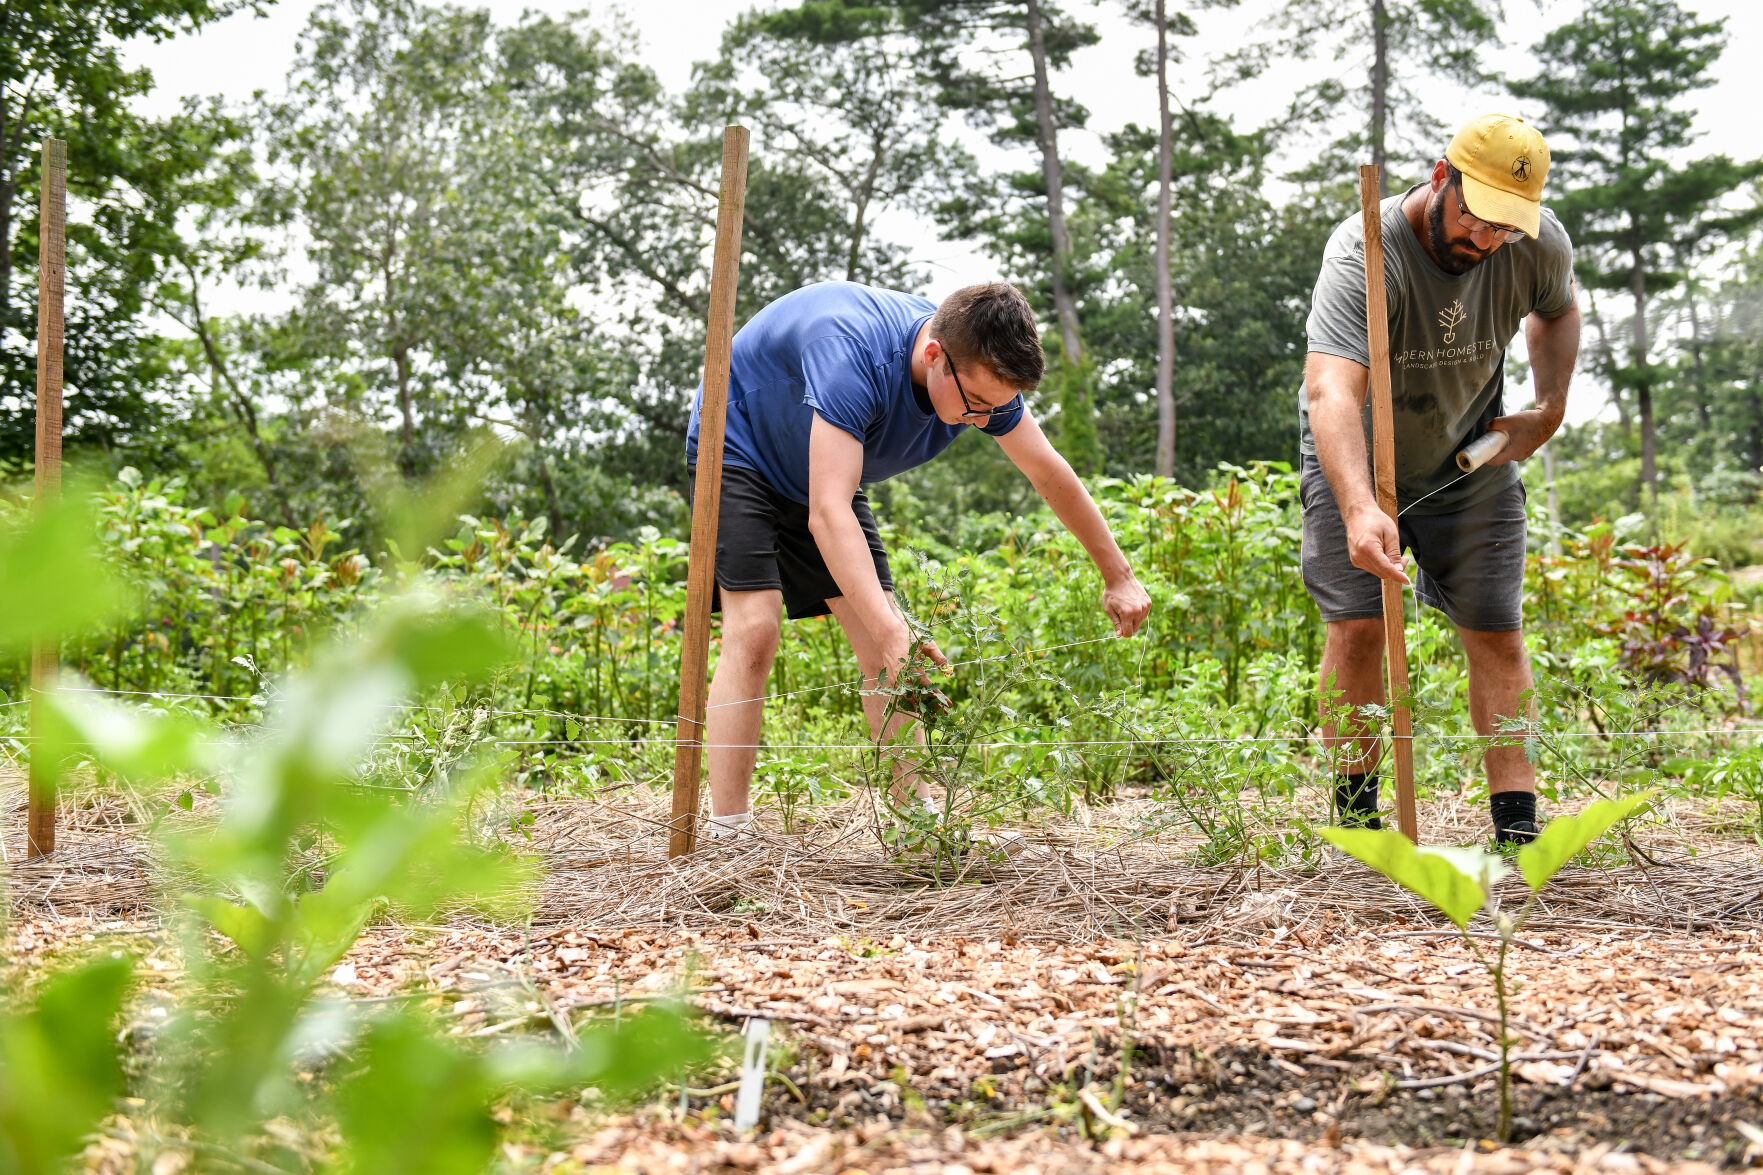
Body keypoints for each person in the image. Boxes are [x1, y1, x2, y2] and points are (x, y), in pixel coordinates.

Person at [685, 280, 1152, 838]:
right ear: (934, 355)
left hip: (825, 465)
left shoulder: (978, 374)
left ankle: (917, 826)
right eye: (976, 406)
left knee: (891, 653)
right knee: (757, 630)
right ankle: (729, 833)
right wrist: (890, 629)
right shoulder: (851, 356)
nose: (983, 422)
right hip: (739, 447)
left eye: (996, 410)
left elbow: (1047, 471)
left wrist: (1117, 574)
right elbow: (828, 513)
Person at [1299, 114, 1581, 844]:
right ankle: (1358, 826)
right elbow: (1329, 389)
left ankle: (1516, 834)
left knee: (1496, 632)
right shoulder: (1364, 249)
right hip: (1354, 455)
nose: (1485, 240)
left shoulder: (1537, 244)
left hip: (1468, 461)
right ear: (1439, 177)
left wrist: (1547, 407)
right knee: (1357, 627)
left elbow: (1557, 309)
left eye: (1504, 229)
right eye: (1476, 217)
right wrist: (1359, 507)